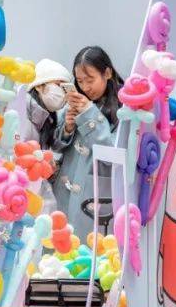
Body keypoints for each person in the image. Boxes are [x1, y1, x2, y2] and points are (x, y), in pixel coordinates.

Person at [52, 46, 125, 237]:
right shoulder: (76, 103)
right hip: (64, 195)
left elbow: (112, 152)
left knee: (89, 254)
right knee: (60, 253)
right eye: (80, 81)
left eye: (90, 80)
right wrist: (67, 128)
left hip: (95, 199)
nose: (84, 87)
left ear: (107, 73)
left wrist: (89, 114)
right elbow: (57, 147)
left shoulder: (124, 109)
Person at [22, 59, 74, 211]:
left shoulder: (45, 119)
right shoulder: (23, 113)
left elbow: (53, 146)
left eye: (66, 89)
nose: (63, 94)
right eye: (59, 86)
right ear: (39, 86)